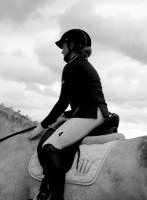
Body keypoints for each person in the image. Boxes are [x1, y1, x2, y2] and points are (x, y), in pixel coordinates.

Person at [28, 29, 111, 200]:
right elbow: (77, 99)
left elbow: (62, 101)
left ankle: (54, 196)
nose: (61, 50)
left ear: (72, 45)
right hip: (90, 111)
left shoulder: (72, 66)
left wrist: (42, 125)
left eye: (63, 46)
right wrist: (63, 117)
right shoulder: (81, 64)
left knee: (49, 146)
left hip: (89, 113)